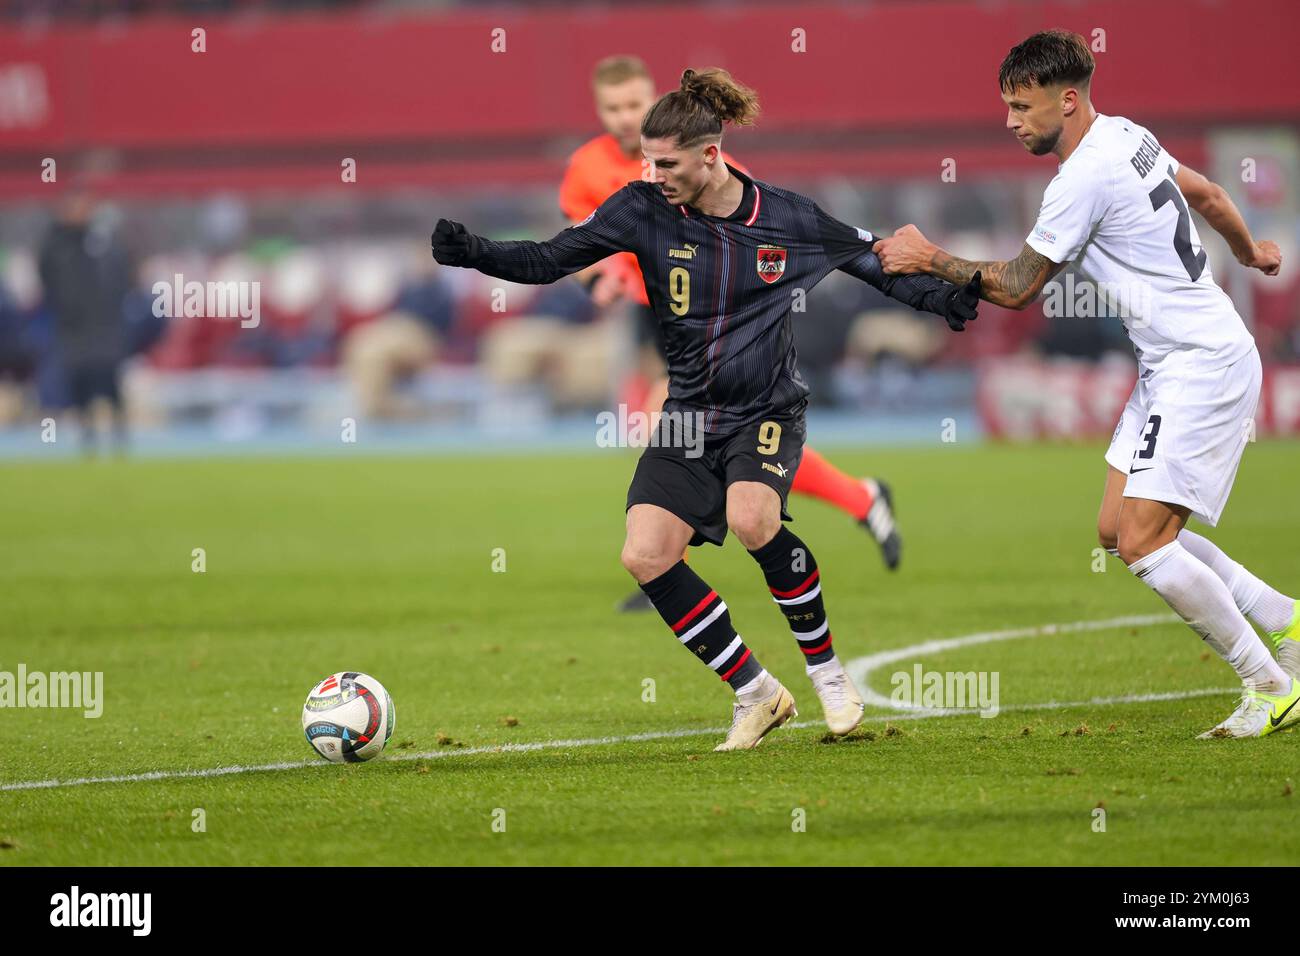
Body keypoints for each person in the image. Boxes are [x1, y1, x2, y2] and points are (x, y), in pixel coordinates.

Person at [433, 68, 979, 751]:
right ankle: (757, 693)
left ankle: (828, 674)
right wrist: (474, 254)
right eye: (647, 161)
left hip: (766, 408)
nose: (653, 173)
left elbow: (870, 263)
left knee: (754, 519)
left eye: (667, 162)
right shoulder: (639, 208)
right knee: (645, 555)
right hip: (688, 413)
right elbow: (550, 258)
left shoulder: (787, 217)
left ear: (711, 156)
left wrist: (942, 298)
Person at [875, 29, 1298, 739]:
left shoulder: (1083, 178)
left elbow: (1014, 288)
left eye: (1022, 106)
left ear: (1067, 101)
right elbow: (1211, 193)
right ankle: (1287, 618)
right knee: (1116, 530)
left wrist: (925, 256)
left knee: (1145, 542)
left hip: (1203, 363)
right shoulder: (1128, 136)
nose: (1011, 121)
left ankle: (1270, 684)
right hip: (1170, 363)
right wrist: (1249, 252)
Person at [561, 56, 902, 621]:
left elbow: (757, 238)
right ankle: (860, 498)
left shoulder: (703, 163)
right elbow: (580, 242)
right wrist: (600, 276)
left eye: (634, 104)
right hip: (652, 314)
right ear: (599, 111)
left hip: (713, 323)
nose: (625, 117)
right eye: (613, 107)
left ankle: (663, 562)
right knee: (680, 432)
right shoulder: (585, 167)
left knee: (684, 428)